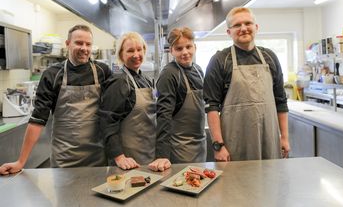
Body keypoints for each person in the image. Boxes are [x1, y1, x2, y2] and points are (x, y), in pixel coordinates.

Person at [0, 25, 112, 174]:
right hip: (65, 158)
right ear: (67, 44)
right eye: (79, 43)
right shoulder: (52, 75)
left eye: (88, 44)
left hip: (98, 156)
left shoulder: (102, 72)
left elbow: (114, 114)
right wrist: (21, 161)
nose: (84, 48)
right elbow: (37, 120)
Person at [204, 7, 290, 162]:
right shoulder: (219, 60)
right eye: (237, 25)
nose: (243, 28)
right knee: (237, 185)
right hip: (234, 143)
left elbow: (281, 101)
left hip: (269, 141)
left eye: (248, 23)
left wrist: (284, 137)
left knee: (269, 183)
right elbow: (211, 107)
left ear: (256, 27)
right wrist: (218, 146)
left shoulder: (270, 57)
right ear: (229, 32)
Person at [148, 27, 206, 172]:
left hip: (200, 142)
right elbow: (163, 115)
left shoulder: (198, 70)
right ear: (172, 51)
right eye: (179, 48)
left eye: (188, 46)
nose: (185, 52)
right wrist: (162, 155)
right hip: (181, 147)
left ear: (195, 47)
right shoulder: (169, 74)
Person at [98, 32, 156, 170]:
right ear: (121, 55)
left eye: (139, 49)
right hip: (129, 160)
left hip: (149, 153)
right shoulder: (118, 82)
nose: (136, 55)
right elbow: (107, 121)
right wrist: (119, 157)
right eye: (130, 51)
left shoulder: (146, 79)